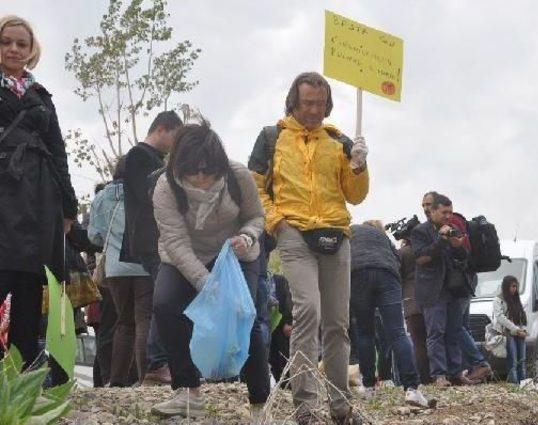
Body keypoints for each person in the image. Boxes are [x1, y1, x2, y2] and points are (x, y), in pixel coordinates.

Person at [248, 72, 369, 425]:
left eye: (320, 103)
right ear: (294, 102)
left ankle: (341, 407)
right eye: (307, 103)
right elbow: (255, 185)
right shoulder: (272, 137)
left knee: (337, 323)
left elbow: (355, 195)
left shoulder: (340, 141)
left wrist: (359, 166)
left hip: (336, 233)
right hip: (294, 232)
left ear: (327, 103)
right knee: (308, 313)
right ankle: (305, 407)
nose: (314, 110)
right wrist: (277, 223)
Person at [150, 122, 270, 421]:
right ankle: (187, 391)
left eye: (208, 171)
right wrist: (205, 283)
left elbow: (256, 217)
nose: (201, 179)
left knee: (245, 316)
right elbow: (175, 242)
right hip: (185, 256)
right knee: (165, 305)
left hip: (235, 255)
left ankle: (259, 401)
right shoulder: (166, 186)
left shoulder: (237, 175)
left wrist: (247, 236)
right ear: (179, 166)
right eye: (193, 171)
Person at [0, 15, 78, 368]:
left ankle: (23, 368)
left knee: (31, 281)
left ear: (32, 51)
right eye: (6, 42)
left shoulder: (41, 95)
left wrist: (68, 207)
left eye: (21, 43)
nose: (14, 49)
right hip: (3, 189)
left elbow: (58, 150)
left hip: (39, 196)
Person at [121, 111, 182, 385]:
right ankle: (158, 363)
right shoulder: (138, 156)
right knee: (163, 299)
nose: (174, 145)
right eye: (175, 138)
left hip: (161, 237)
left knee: (165, 297)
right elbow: (149, 195)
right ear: (162, 129)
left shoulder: (154, 159)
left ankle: (161, 362)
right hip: (149, 237)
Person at [349, 220, 435, 408]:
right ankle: (412, 389)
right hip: (387, 274)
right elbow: (396, 258)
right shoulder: (382, 236)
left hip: (357, 273)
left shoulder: (350, 231)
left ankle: (369, 387)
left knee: (365, 333)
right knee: (397, 332)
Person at [89, 157, 153, 386]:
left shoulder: (102, 197)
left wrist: (112, 238)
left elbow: (93, 236)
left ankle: (115, 380)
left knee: (124, 322)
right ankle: (147, 377)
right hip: (145, 264)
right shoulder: (146, 190)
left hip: (116, 269)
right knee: (144, 318)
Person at [411, 193, 476, 388]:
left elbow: (464, 257)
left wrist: (457, 246)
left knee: (454, 332)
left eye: (450, 212)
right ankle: (439, 375)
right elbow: (421, 258)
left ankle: (455, 373)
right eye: (444, 212)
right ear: (434, 211)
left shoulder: (454, 228)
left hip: (454, 290)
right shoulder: (420, 231)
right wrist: (441, 240)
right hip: (433, 291)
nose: (448, 216)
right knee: (436, 333)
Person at [398, 237, 431, 384]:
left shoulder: (403, 252)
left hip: (411, 300)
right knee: (434, 339)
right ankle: (440, 373)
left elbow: (398, 276)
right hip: (431, 298)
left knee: (418, 343)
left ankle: (424, 378)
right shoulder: (428, 249)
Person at [493, 275, 527, 384]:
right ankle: (514, 384)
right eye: (512, 286)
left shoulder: (516, 299)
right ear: (506, 286)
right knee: (512, 360)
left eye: (516, 286)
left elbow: (522, 317)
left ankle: (523, 384)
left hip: (519, 333)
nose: (514, 289)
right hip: (508, 333)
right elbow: (500, 317)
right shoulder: (499, 300)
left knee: (521, 361)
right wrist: (516, 329)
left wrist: (523, 331)